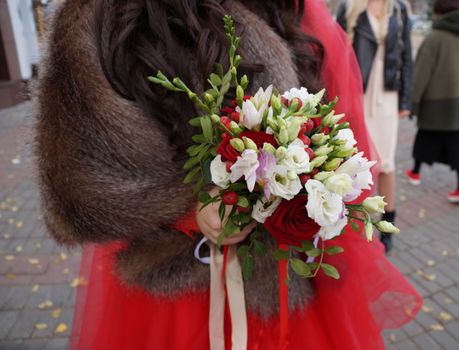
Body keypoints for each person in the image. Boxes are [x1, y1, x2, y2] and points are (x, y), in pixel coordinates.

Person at [35, 0, 421, 349]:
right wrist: (191, 212)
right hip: (176, 295)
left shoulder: (295, 10)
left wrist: (306, 189)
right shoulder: (96, 15)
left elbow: (341, 137)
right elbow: (76, 184)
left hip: (285, 290)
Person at [337, 0, 412, 253]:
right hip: (356, 94)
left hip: (388, 96)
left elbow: (407, 57)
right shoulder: (349, 7)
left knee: (387, 162)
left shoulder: (399, 8)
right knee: (357, 161)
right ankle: (356, 225)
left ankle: (387, 222)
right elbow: (336, 54)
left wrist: (406, 99)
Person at [406, 0, 459, 203]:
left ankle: (415, 172)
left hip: (434, 104)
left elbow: (421, 74)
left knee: (425, 136)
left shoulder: (434, 38)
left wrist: (413, 102)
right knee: (457, 143)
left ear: (438, 12)